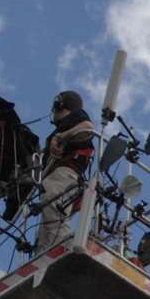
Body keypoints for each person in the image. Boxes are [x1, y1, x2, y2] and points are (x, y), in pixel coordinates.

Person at [35, 90, 97, 253]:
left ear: (59, 105)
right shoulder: (65, 126)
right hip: (63, 178)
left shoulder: (74, 118)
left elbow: (88, 128)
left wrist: (61, 137)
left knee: (54, 218)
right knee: (46, 234)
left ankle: (67, 249)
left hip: (63, 175)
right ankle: (44, 259)